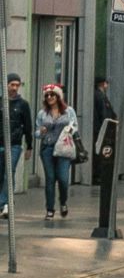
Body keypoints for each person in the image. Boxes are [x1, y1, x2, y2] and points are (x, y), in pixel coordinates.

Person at [36, 86, 76, 219]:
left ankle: (63, 202)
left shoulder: (68, 111)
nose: (49, 98)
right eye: (47, 96)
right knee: (50, 179)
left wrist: (70, 130)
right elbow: (36, 133)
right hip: (47, 148)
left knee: (63, 179)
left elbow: (75, 127)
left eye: (52, 95)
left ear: (58, 96)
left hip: (63, 148)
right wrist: (40, 132)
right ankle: (50, 209)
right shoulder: (42, 113)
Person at [0, 74, 30, 216]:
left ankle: (5, 202)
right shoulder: (1, 102)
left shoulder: (23, 105)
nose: (14, 88)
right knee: (2, 174)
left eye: (17, 85)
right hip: (1, 142)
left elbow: (28, 126)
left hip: (15, 143)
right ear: (6, 85)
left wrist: (29, 146)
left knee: (9, 172)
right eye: (12, 84)